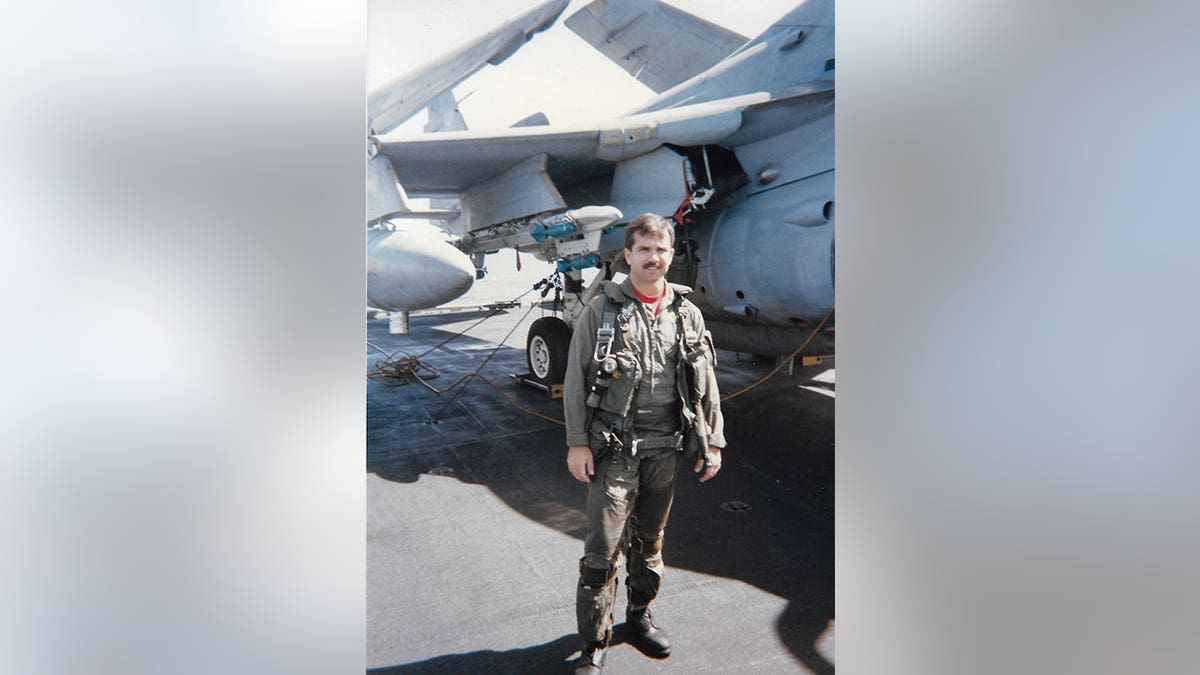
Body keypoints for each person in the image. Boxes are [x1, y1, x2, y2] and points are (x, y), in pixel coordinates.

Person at [563, 213, 725, 673]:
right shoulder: (602, 310)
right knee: (601, 553)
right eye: (645, 249)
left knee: (650, 543)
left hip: (665, 451)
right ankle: (594, 642)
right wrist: (578, 442)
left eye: (662, 250)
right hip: (614, 450)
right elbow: (575, 381)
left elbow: (704, 383)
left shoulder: (686, 313)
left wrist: (711, 441)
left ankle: (637, 616)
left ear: (671, 255)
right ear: (629, 254)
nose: (654, 258)